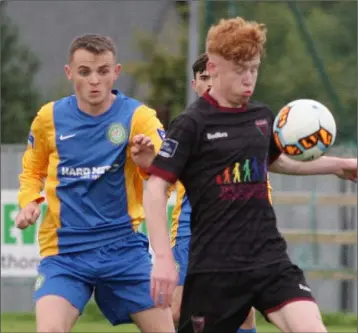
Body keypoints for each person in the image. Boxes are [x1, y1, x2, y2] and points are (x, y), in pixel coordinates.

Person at [143, 17, 357, 333]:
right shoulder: (192, 124)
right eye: (241, 69)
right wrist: (163, 257)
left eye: (254, 68)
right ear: (213, 68)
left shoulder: (261, 117)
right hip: (216, 267)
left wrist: (340, 164)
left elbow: (277, 162)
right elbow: (156, 187)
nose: (249, 78)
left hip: (269, 258)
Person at [15, 33, 176, 333]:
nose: (94, 81)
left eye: (103, 71)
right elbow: (32, 172)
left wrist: (148, 164)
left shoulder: (139, 118)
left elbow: (167, 178)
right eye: (85, 71)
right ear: (69, 73)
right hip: (65, 253)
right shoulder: (48, 118)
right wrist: (28, 202)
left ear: (116, 72)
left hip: (123, 249)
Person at [171, 53, 261, 333]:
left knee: (241, 313)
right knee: (177, 311)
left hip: (240, 227)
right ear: (194, 84)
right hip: (191, 228)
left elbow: (274, 163)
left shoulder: (251, 122)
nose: (210, 84)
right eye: (204, 78)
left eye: (215, 77)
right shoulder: (186, 125)